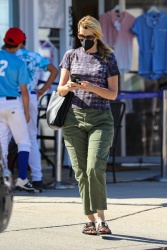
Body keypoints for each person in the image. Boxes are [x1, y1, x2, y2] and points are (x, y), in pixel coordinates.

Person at [58, 15, 120, 235]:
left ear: (97, 36)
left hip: (100, 119)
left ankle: (102, 219)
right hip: (73, 120)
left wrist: (91, 87)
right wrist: (69, 86)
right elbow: (59, 90)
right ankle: (90, 220)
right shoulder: (70, 56)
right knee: (81, 172)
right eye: (81, 36)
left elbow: (113, 94)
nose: (84, 40)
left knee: (95, 167)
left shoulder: (108, 58)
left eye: (89, 37)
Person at [16, 36, 58, 192]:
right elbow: (54, 71)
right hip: (31, 96)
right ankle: (37, 178)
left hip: (9, 97)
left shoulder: (7, 56)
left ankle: (7, 178)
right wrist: (43, 89)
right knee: (30, 138)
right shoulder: (33, 56)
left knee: (4, 139)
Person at [0, 27, 39, 193]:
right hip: (13, 104)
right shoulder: (19, 62)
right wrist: (27, 112)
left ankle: (3, 179)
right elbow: (24, 91)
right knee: (24, 142)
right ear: (19, 43)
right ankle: (22, 179)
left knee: (1, 144)